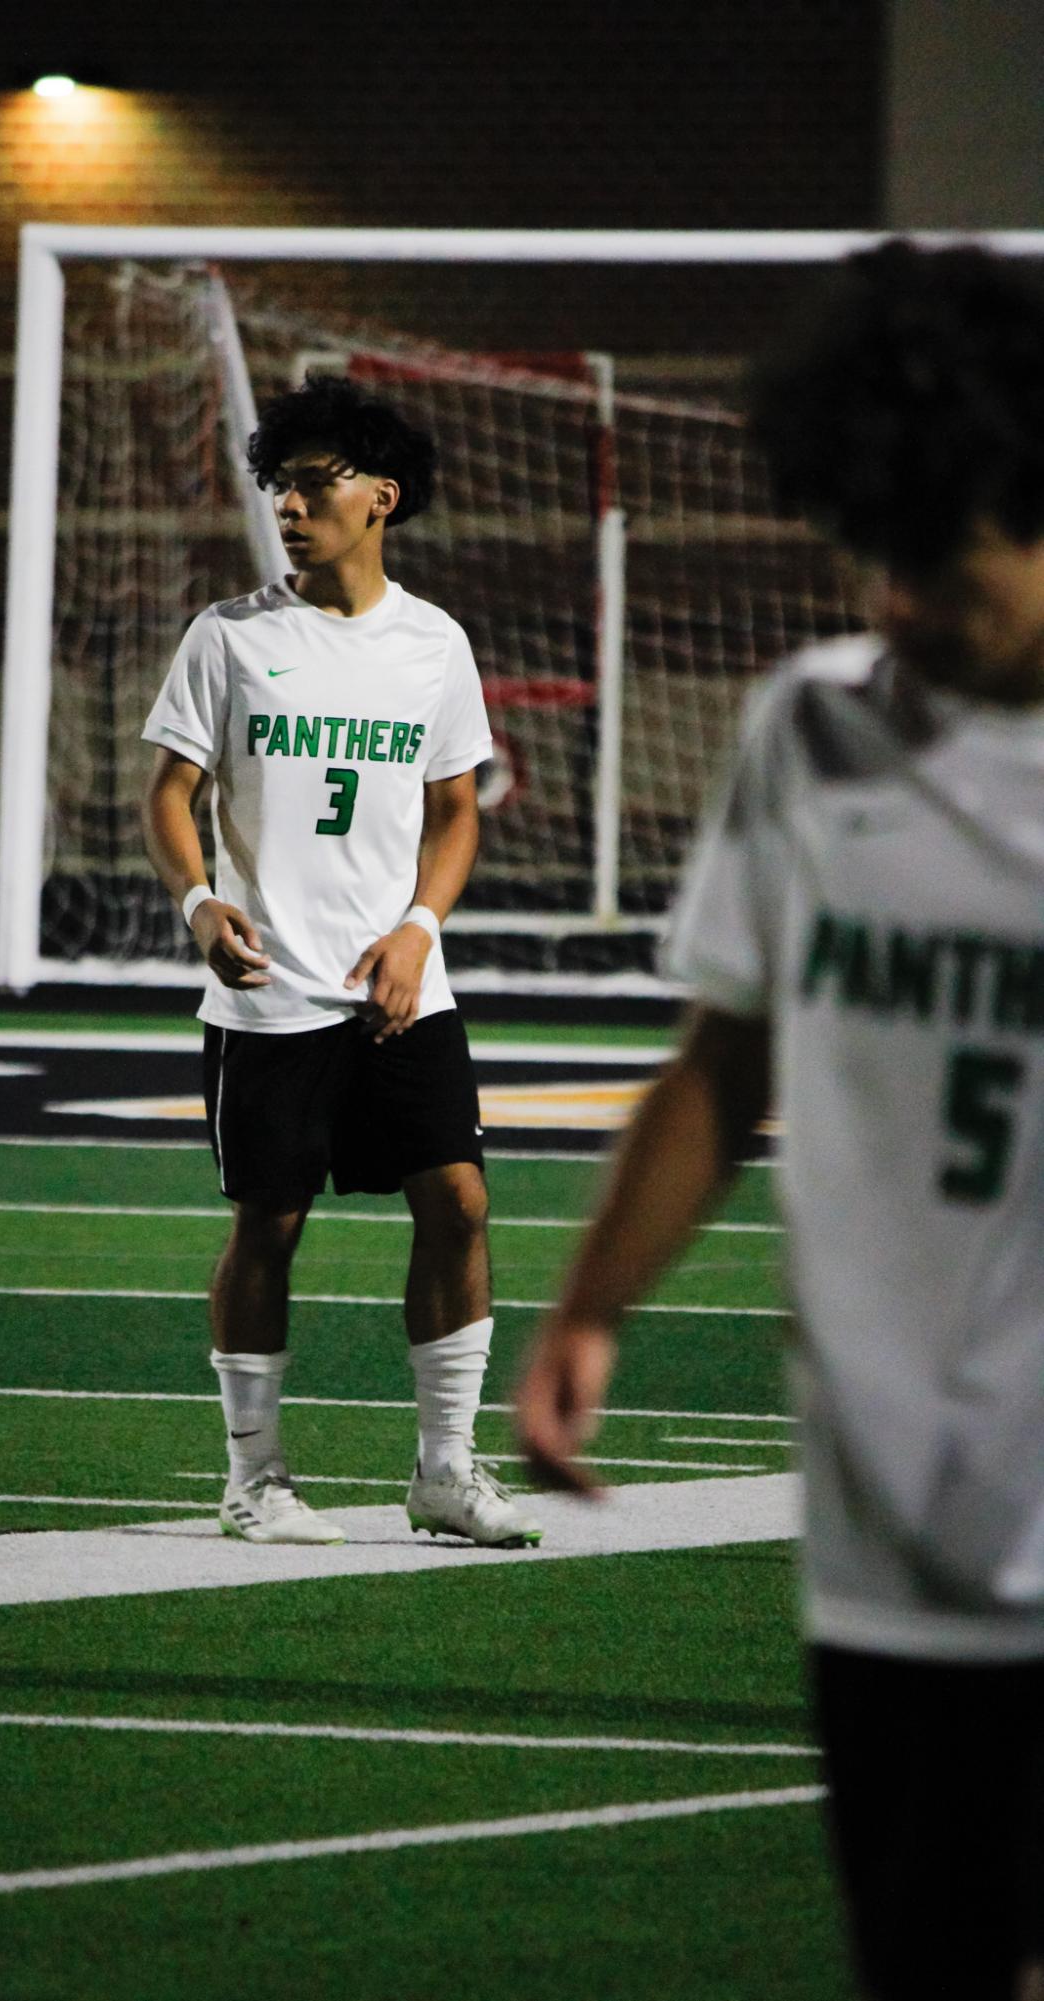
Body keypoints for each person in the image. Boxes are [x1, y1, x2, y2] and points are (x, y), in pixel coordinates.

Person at [514, 241, 1044, 2001]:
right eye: (867, 552)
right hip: (890, 1543)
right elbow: (722, 1062)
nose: (890, 598)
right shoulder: (808, 732)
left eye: (940, 560)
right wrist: (592, 1306)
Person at [142, 371, 541, 1552]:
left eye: (315, 484)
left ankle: (445, 1472)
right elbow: (172, 792)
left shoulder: (434, 645)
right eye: (281, 485)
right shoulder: (228, 634)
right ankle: (255, 1479)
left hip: (399, 982)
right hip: (269, 991)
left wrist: (421, 928)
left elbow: (456, 810)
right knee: (269, 1224)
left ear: (383, 497)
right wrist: (201, 904)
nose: (290, 505)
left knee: (460, 1202)